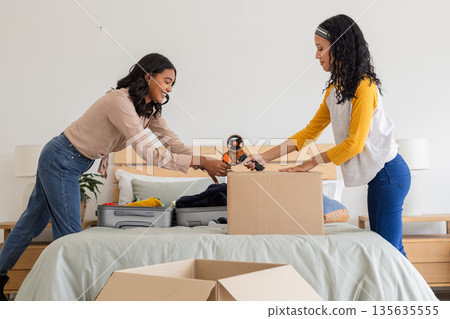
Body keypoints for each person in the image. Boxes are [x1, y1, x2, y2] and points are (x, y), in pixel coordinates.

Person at [0, 53, 230, 300]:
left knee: (30, 223)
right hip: (61, 159)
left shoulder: (149, 110)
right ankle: (71, 300)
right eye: (166, 81)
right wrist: (202, 162)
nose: (169, 89)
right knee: (71, 238)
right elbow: (151, 154)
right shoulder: (119, 102)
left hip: (68, 160)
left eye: (172, 84)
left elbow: (173, 143)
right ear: (148, 77)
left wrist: (203, 164)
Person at [245, 15, 411, 257]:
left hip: (390, 173)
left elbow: (354, 144)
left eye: (320, 49)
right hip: (381, 176)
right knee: (388, 250)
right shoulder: (336, 91)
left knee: (389, 251)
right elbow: (308, 133)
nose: (316, 56)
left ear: (339, 47)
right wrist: (263, 157)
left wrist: (311, 163)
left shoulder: (364, 87)